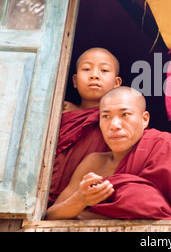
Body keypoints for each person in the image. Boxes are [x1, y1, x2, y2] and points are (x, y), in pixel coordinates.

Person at [45, 86, 171, 220]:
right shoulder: (93, 163)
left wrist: (86, 213)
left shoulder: (159, 144)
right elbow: (51, 215)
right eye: (106, 117)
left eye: (125, 114)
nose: (114, 125)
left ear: (144, 119)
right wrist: (79, 200)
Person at [48, 47, 122, 206]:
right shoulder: (60, 114)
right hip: (46, 196)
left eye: (104, 70)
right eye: (87, 69)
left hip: (94, 198)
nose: (94, 75)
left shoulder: (122, 121)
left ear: (117, 83)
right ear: (74, 80)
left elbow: (147, 150)